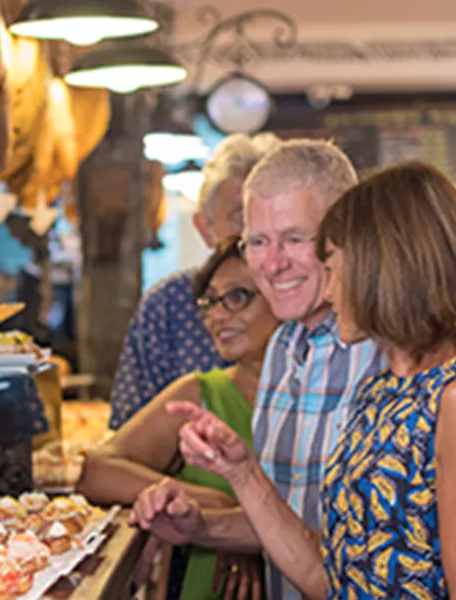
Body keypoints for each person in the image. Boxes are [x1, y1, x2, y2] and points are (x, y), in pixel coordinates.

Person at [142, 162, 456, 599]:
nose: (328, 290)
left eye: (335, 267)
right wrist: (241, 471)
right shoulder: (380, 391)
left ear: (382, 270)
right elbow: (331, 576)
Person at [131, 140, 386, 600]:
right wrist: (199, 525)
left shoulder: (391, 354)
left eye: (293, 239)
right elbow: (287, 528)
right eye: (258, 242)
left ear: (344, 237)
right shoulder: (283, 348)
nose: (271, 264)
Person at [80, 236, 279, 600]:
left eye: (237, 298)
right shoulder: (200, 394)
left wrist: (247, 535)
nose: (217, 316)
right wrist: (217, 506)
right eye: (210, 303)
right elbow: (96, 470)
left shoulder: (317, 401)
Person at [110, 134, 279, 429]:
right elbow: (126, 429)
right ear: (205, 228)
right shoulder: (168, 306)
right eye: (241, 217)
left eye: (269, 217)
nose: (256, 234)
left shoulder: (314, 302)